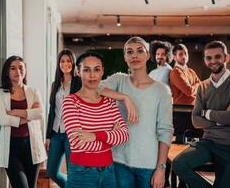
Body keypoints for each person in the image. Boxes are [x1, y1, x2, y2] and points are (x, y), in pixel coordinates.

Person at [99, 36, 174, 188]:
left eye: (140, 51)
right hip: (118, 161)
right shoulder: (119, 80)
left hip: (148, 165)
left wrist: (161, 168)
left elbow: (165, 131)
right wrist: (124, 97)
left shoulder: (162, 90)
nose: (134, 55)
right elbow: (93, 88)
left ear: (148, 55)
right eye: (129, 52)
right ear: (125, 57)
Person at [172, 41, 230, 188]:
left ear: (226, 58)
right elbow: (195, 120)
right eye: (209, 58)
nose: (213, 61)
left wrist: (206, 113)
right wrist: (222, 118)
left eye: (217, 57)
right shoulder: (202, 86)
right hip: (208, 142)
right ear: (205, 60)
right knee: (178, 164)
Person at [62, 52, 129, 188]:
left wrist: (94, 136)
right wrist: (110, 139)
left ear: (102, 72)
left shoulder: (109, 102)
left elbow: (124, 135)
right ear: (78, 72)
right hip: (81, 173)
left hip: (108, 172)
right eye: (86, 70)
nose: (92, 75)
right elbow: (78, 142)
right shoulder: (70, 102)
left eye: (97, 69)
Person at [0, 55, 47, 188]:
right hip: (11, 148)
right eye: (13, 68)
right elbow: (3, 119)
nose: (17, 71)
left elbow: (40, 113)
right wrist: (30, 115)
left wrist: (15, 113)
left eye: (20, 67)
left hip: (32, 146)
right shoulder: (0, 93)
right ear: (7, 71)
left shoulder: (33, 91)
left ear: (25, 70)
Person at [45, 49, 81, 187]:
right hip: (55, 133)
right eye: (62, 61)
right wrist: (48, 136)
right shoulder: (55, 84)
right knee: (51, 171)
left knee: (72, 172)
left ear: (73, 63)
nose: (65, 64)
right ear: (58, 63)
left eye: (68, 61)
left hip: (71, 134)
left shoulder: (79, 83)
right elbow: (51, 112)